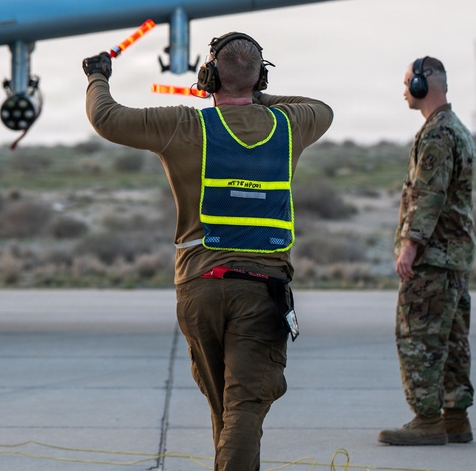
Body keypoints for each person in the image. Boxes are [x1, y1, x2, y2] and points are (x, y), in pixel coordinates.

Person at [83, 32, 332, 471]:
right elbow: (323, 108)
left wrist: (98, 77)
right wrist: (255, 93)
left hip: (199, 288)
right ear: (260, 77)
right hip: (262, 291)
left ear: (208, 76)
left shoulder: (185, 124)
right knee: (245, 408)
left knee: (228, 408)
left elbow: (106, 117)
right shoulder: (290, 123)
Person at [378, 57, 476, 446]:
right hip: (454, 257)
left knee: (417, 336)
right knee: (452, 337)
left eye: (407, 82)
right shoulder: (457, 129)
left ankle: (428, 419)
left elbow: (429, 195)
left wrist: (410, 246)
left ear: (423, 83)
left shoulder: (437, 134)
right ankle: (455, 417)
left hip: (433, 257)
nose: (404, 90)